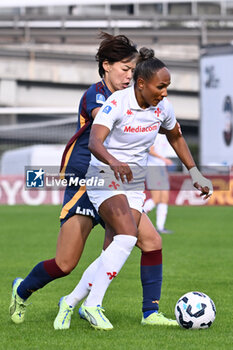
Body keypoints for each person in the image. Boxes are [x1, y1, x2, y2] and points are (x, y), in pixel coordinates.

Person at [10, 33, 176, 329]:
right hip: (87, 183)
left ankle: (147, 312)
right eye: (125, 69)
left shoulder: (133, 100)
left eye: (133, 70)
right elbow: (107, 124)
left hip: (117, 184)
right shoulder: (97, 96)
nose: (130, 76)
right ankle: (22, 291)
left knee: (145, 242)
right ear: (106, 66)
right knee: (65, 263)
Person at [74, 47, 213, 331]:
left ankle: (148, 312)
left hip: (133, 183)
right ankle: (91, 305)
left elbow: (176, 137)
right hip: (104, 176)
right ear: (141, 84)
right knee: (125, 237)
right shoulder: (117, 102)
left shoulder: (163, 108)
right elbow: (95, 143)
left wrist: (195, 172)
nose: (164, 92)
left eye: (167, 87)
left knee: (149, 244)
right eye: (160, 86)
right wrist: (114, 162)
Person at [143, 133, 177, 234]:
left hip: (161, 169)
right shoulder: (154, 134)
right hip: (153, 169)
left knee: (164, 199)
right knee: (156, 198)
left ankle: (160, 227)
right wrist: (164, 159)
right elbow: (150, 150)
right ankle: (137, 216)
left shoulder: (165, 136)